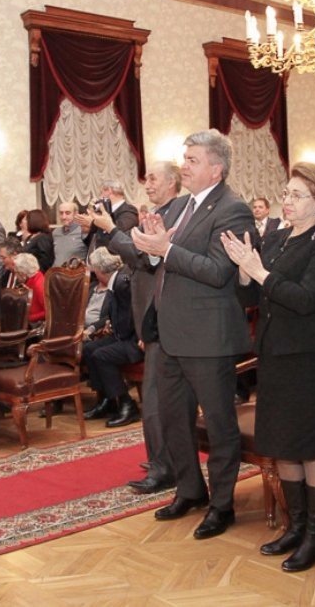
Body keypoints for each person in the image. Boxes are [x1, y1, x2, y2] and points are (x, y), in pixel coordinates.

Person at [131, 129, 255, 540]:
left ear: (216, 168)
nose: (183, 166)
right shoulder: (180, 205)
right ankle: (190, 489)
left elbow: (220, 271)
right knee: (173, 420)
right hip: (169, 332)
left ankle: (222, 505)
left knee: (219, 425)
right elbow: (162, 260)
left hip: (208, 336)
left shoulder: (233, 209)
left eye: (192, 160)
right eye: (184, 159)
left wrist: (166, 249)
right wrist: (153, 243)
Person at [222, 162, 315, 572]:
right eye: (287, 193)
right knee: (282, 444)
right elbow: (252, 298)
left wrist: (259, 271)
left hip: (310, 358)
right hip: (274, 353)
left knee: (309, 447)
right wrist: (244, 275)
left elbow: (307, 298)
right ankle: (295, 525)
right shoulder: (275, 237)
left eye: (297, 195)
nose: (286, 201)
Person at [96, 160, 181, 494]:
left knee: (157, 400)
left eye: (154, 178)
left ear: (173, 183)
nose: (147, 184)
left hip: (164, 320)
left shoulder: (174, 215)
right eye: (146, 179)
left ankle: (164, 466)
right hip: (151, 319)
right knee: (157, 399)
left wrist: (112, 231)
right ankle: (163, 459)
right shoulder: (157, 213)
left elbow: (142, 258)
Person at [80, 248, 144, 428]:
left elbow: (134, 314)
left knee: (102, 355)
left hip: (135, 340)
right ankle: (108, 400)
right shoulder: (118, 280)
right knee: (89, 349)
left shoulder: (123, 283)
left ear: (100, 271)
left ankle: (127, 404)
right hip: (122, 335)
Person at [12, 253, 46, 324]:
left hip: (37, 325)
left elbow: (49, 311)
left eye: (16, 273)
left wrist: (27, 318)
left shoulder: (38, 285)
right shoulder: (33, 279)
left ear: (23, 273)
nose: (16, 276)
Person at [52, 202, 87, 267]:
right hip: (56, 274)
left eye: (67, 213)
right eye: (61, 213)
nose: (63, 217)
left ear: (76, 214)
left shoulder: (83, 231)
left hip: (76, 275)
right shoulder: (56, 233)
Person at [23, 209, 54, 273]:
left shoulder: (43, 238)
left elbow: (46, 261)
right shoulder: (29, 237)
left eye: (26, 219)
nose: (24, 222)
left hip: (39, 275)